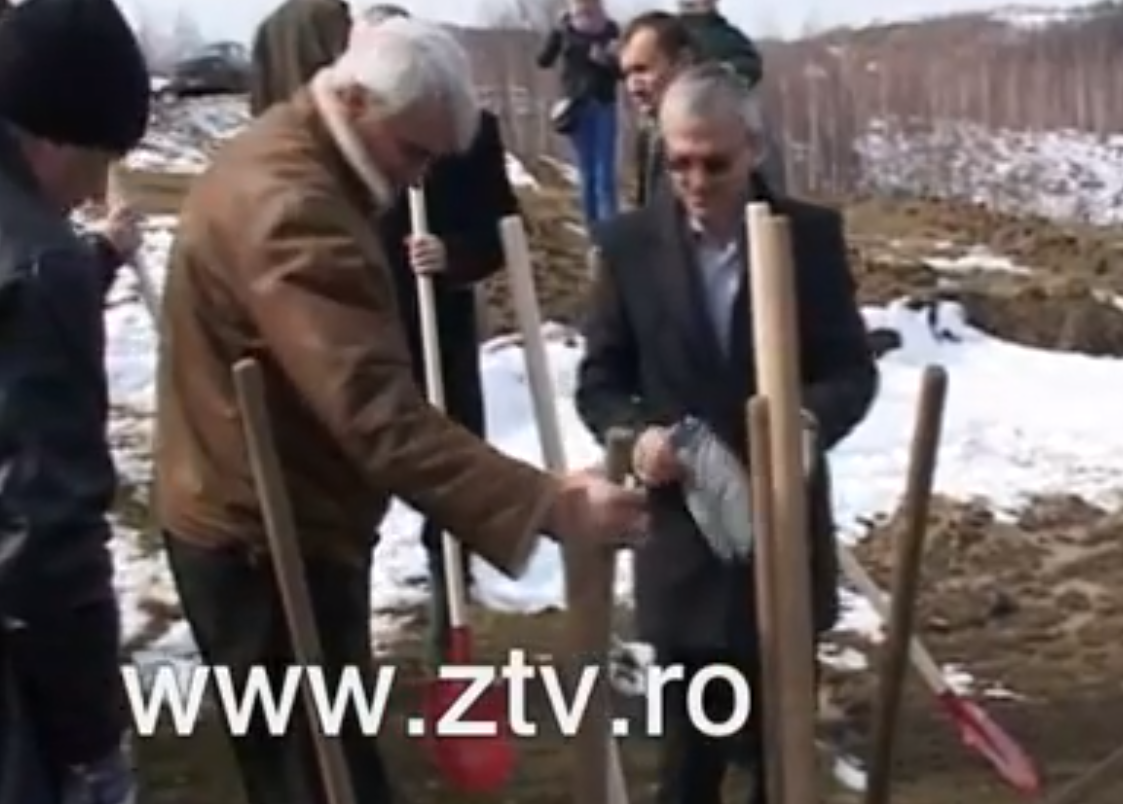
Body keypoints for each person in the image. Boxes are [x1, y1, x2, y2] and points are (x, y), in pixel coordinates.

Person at [154, 17, 647, 804]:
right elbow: (374, 409)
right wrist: (546, 505)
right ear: (354, 99)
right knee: (318, 777)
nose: (417, 178)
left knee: (327, 760)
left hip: (275, 511)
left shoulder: (297, 150)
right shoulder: (294, 207)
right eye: (412, 151)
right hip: (261, 540)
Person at [573, 65, 877, 804]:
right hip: (684, 539)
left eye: (715, 163)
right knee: (690, 764)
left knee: (781, 758)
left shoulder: (807, 239)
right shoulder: (628, 247)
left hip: (781, 526)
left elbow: (849, 370)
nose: (696, 181)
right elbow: (600, 382)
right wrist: (636, 438)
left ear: (754, 149)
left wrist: (805, 421)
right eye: (679, 162)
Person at [0, 0, 150, 802]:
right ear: (53, 136)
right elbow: (42, 536)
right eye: (100, 159)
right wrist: (89, 739)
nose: (93, 192)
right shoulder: (39, 263)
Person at [358, 2, 516, 667]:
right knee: (356, 470)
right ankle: (345, 622)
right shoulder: (342, 138)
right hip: (362, 325)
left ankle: (451, 601)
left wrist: (453, 255)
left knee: (448, 468)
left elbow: (501, 230)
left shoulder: (470, 134)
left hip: (436, 322)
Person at [619, 11, 784, 207]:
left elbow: (772, 205)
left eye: (642, 70)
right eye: (626, 75)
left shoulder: (732, 123)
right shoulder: (649, 134)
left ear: (683, 61)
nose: (633, 87)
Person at [536, 0, 621, 228]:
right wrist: (555, 33)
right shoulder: (565, 28)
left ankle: (612, 231)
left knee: (605, 173)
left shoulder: (610, 29)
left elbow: (623, 71)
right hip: (576, 107)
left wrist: (607, 61)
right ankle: (593, 231)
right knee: (587, 173)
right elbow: (543, 60)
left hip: (603, 103)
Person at [249, 0, 352, 116]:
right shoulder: (329, 11)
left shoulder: (269, 23)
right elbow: (349, 71)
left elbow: (259, 91)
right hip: (322, 115)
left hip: (280, 119)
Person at [675, 0, 762, 88]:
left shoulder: (731, 34)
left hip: (720, 89)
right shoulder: (673, 32)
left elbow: (751, 64)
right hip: (681, 88)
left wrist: (726, 68)